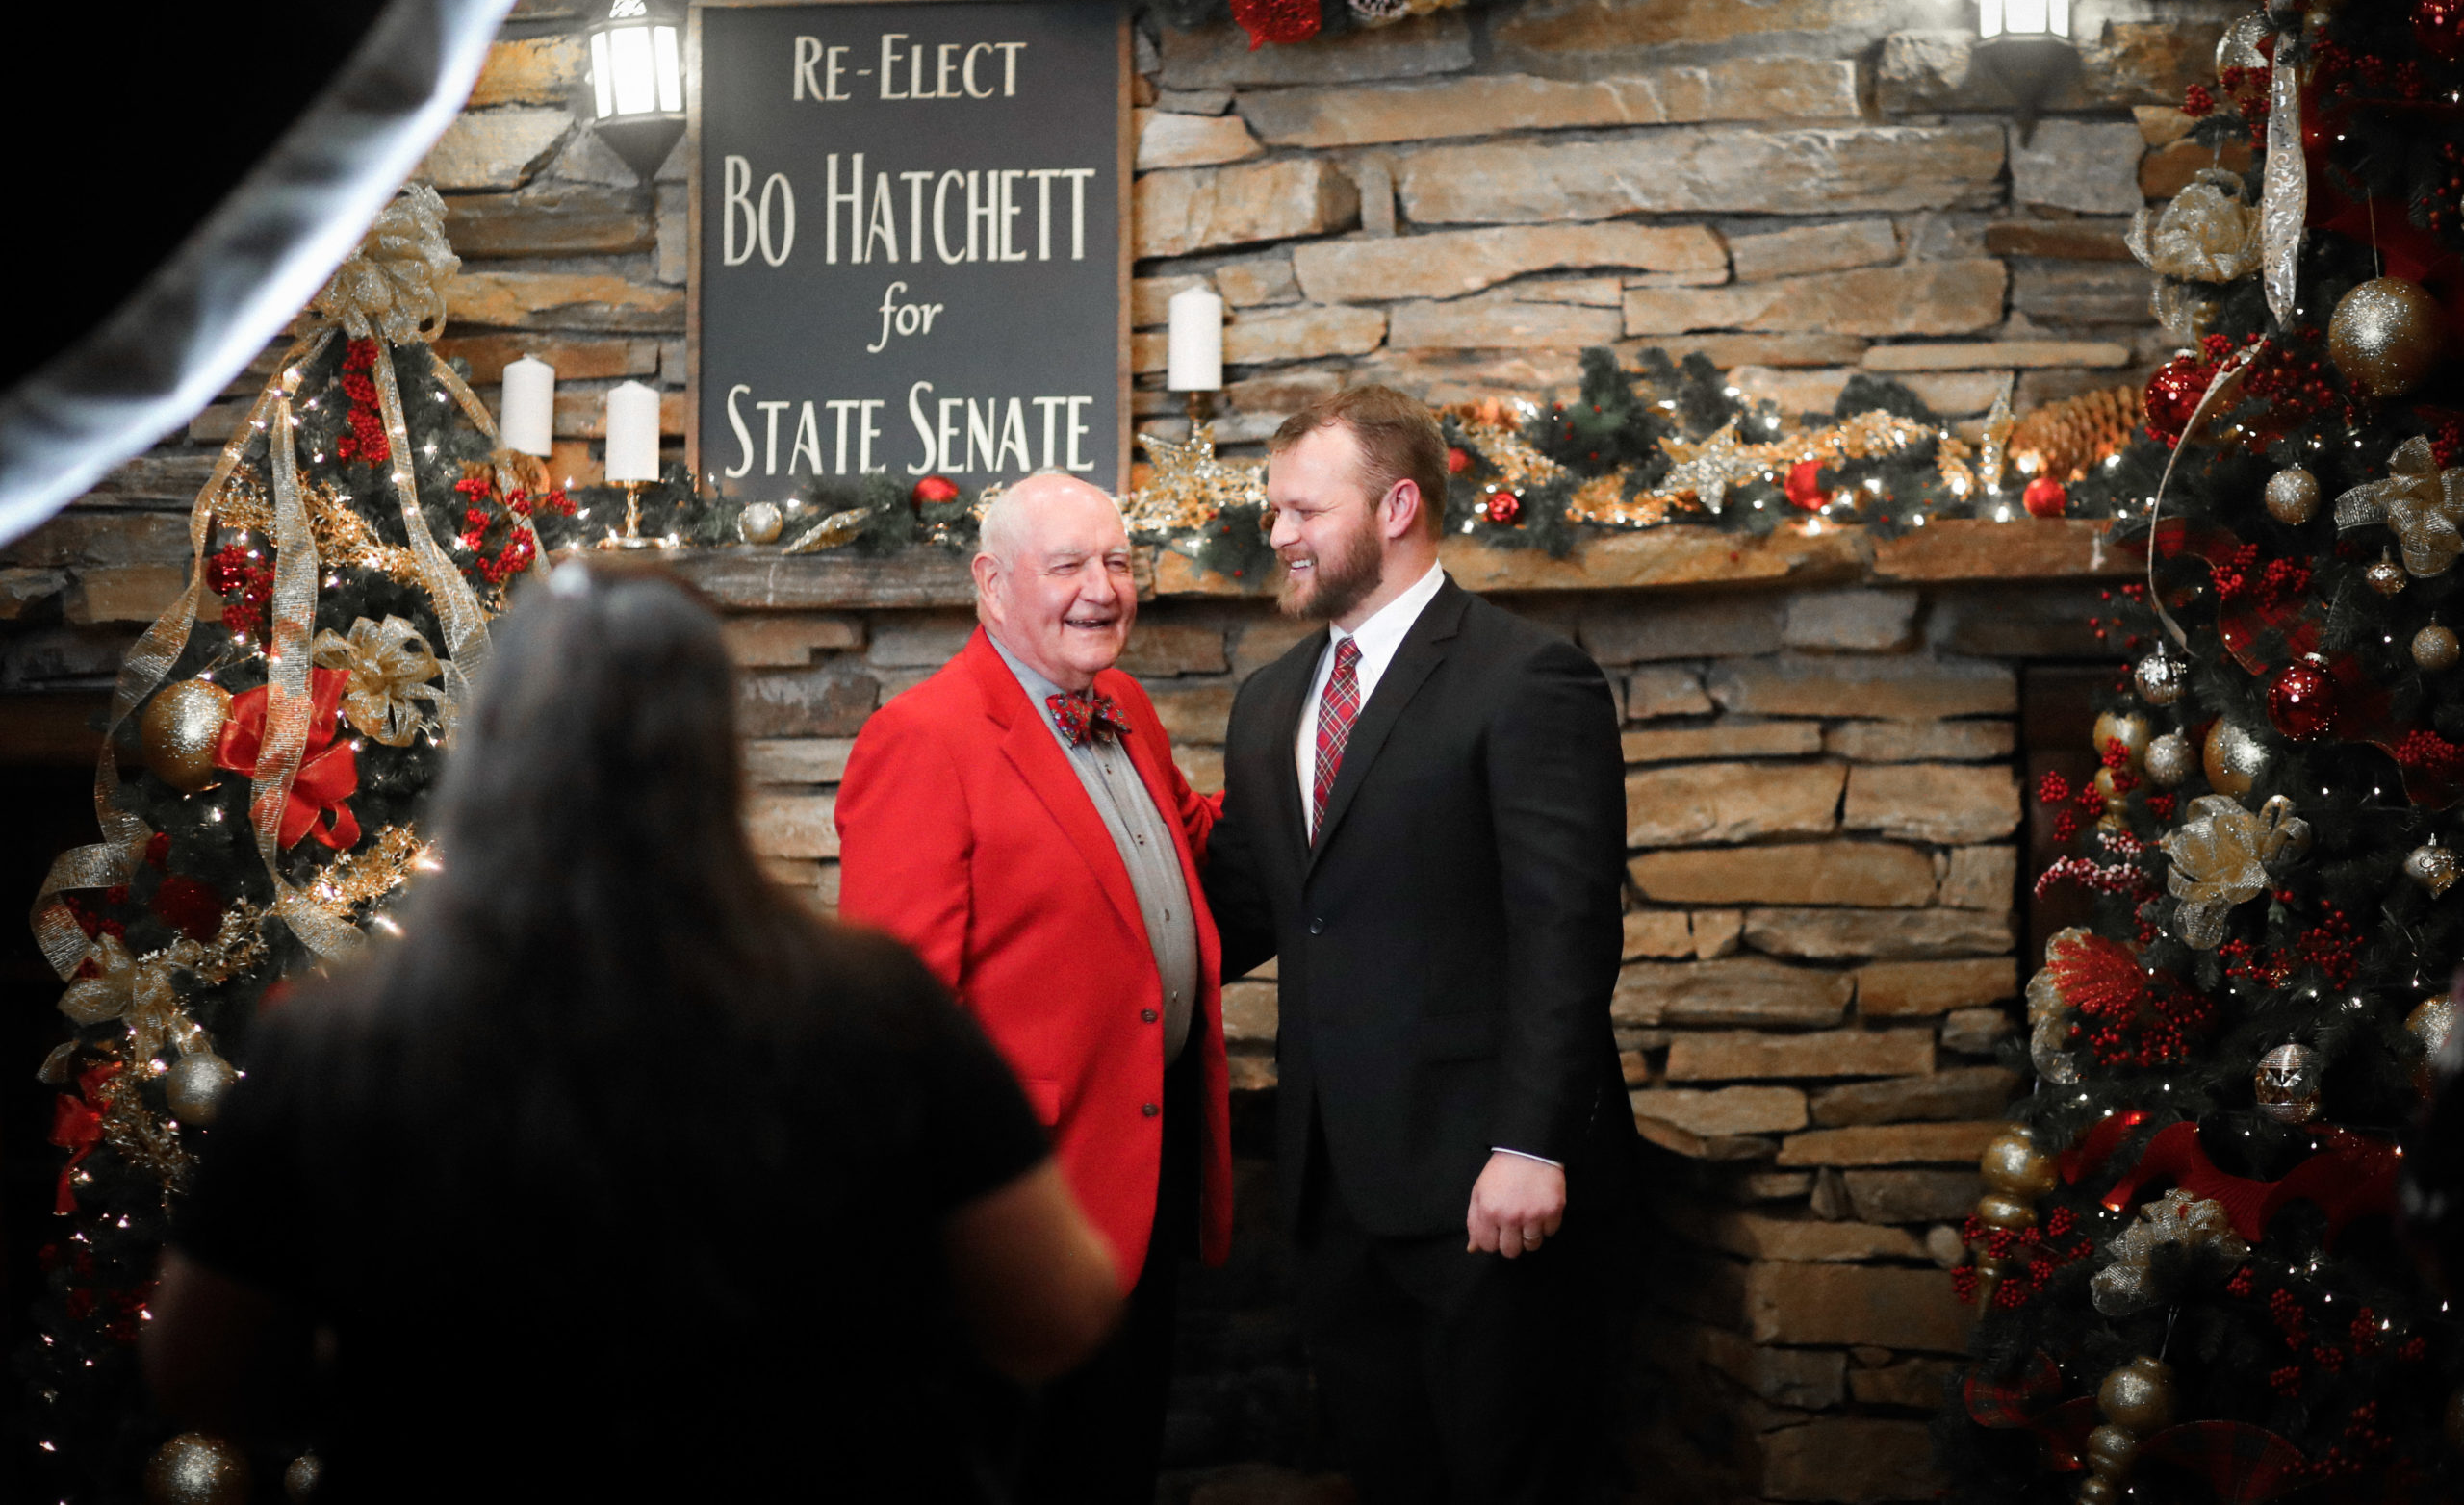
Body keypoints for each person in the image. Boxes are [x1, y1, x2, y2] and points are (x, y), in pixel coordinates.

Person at [142, 566, 1121, 1503]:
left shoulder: (336, 1043)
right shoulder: (874, 1009)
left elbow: (200, 1370)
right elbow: (1056, 1309)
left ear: (491, 746)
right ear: (715, 755)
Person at [1203, 386, 1637, 1504]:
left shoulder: (1524, 678)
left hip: (1486, 1187)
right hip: (1328, 1190)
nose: (1279, 533)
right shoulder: (1268, 703)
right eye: (1273, 508)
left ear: (1398, 506)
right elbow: (1244, 910)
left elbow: (1566, 932)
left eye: (1303, 509)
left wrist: (1531, 1147)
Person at [834, 471, 1234, 1504]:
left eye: (1116, 561)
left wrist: (1337, 767)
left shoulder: (1126, 705)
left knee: (1113, 1465)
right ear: (990, 580)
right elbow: (895, 1014)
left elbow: (1189, 844)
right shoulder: (923, 738)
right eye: (1067, 566)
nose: (1100, 589)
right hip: (1020, 1201)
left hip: (1144, 1167)